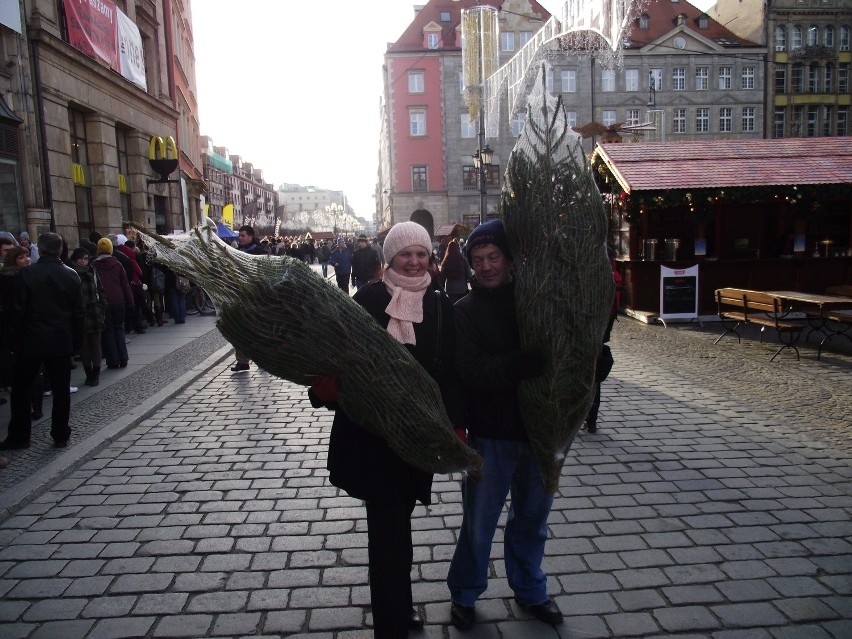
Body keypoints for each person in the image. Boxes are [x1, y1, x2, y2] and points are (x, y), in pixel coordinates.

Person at [310, 221, 462, 639]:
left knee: (400, 524)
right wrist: (325, 391)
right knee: (387, 529)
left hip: (415, 437)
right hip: (371, 436)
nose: (414, 262)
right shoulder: (368, 299)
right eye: (404, 254)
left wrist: (455, 425)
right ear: (389, 258)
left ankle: (400, 604)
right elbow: (338, 357)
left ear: (430, 258)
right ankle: (391, 622)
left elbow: (448, 371)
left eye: (421, 254)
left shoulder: (441, 305)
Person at [447, 219, 563, 629]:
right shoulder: (465, 311)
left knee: (533, 521)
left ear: (509, 258)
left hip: (538, 433)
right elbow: (471, 373)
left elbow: (562, 353)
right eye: (478, 260)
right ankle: (464, 593)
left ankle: (531, 591)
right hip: (490, 435)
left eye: (493, 256)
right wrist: (518, 365)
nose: (486, 266)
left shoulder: (535, 302)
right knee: (478, 524)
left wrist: (591, 367)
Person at [0, 233, 83, 450]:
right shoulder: (71, 275)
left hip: (31, 342)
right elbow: (78, 314)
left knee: (21, 390)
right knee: (61, 390)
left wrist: (14, 343)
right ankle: (60, 433)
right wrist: (76, 343)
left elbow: (16, 312)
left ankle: (20, 436)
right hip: (60, 341)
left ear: (42, 250)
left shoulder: (27, 275)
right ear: (60, 250)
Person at [584, 251, 621, 433]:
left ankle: (588, 415)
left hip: (588, 318)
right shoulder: (606, 252)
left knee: (589, 366)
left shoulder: (585, 251)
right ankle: (591, 418)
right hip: (604, 316)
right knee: (593, 366)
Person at [91, 238, 134, 369]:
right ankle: (124, 357)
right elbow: (125, 285)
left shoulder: (93, 266)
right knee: (119, 328)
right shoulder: (117, 264)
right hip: (119, 301)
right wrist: (130, 302)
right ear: (110, 249)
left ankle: (113, 360)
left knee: (108, 331)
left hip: (103, 302)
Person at [69, 247, 107, 387]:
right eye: (81, 258)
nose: (83, 261)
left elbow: (101, 290)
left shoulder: (93, 271)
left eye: (85, 258)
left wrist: (102, 307)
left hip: (94, 312)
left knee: (96, 345)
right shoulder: (71, 273)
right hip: (80, 314)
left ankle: (96, 373)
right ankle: (88, 372)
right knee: (84, 347)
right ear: (75, 259)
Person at [232, 225, 266, 372]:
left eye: (243, 235)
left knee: (260, 329)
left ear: (251, 236)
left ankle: (264, 360)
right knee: (240, 329)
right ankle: (242, 361)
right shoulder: (238, 252)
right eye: (239, 235)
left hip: (259, 297)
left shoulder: (261, 252)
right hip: (242, 295)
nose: (240, 238)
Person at [438, 239, 471, 304]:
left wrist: (441, 288)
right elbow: (469, 275)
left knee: (453, 307)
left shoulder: (446, 262)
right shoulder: (464, 260)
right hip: (462, 288)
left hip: (450, 289)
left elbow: (442, 278)